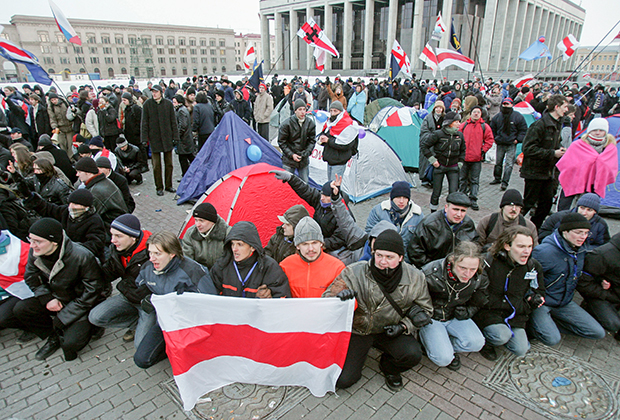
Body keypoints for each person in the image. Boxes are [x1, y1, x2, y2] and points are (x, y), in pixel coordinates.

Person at [322, 230, 432, 391]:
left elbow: (426, 309)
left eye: (389, 257)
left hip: (390, 329)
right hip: (359, 330)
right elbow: (325, 299)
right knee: (343, 380)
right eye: (379, 255)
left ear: (400, 257)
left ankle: (389, 367)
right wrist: (338, 296)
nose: (382, 261)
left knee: (412, 354)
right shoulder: (354, 271)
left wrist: (404, 326)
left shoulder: (415, 278)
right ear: (373, 252)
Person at [13, 218, 103, 361]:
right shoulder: (36, 252)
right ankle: (53, 335)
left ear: (54, 241)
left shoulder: (81, 256)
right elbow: (31, 278)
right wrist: (47, 298)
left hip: (78, 303)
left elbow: (93, 291)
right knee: (21, 309)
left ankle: (90, 327)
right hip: (55, 297)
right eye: (30, 240)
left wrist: (65, 315)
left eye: (38, 241)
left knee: (71, 345)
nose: (32, 246)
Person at [134, 231, 217, 368]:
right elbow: (140, 286)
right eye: (150, 253)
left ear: (172, 254)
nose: (151, 258)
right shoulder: (148, 268)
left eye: (157, 254)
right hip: (164, 321)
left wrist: (186, 301)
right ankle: (169, 350)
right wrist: (147, 299)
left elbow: (211, 303)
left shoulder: (193, 271)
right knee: (141, 360)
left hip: (190, 323)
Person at [529, 213, 606, 346]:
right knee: (552, 339)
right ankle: (533, 326)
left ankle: (550, 324)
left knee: (597, 332)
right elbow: (526, 278)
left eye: (586, 233)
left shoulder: (580, 250)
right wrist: (532, 297)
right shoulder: (544, 252)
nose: (583, 237)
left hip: (564, 301)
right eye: (578, 232)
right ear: (565, 231)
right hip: (543, 302)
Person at [474, 226, 545, 360]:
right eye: (521, 246)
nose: (526, 251)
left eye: (530, 246)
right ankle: (487, 342)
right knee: (501, 336)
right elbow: (477, 290)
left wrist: (534, 298)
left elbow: (539, 290)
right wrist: (487, 303)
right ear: (507, 246)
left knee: (521, 349)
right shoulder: (488, 262)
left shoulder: (533, 266)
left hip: (514, 314)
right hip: (489, 312)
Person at [419, 242, 488, 370]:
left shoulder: (479, 277)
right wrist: (423, 317)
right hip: (432, 317)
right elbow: (415, 299)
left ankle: (446, 346)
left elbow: (480, 300)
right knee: (443, 359)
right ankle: (430, 345)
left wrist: (468, 312)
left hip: (455, 315)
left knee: (477, 343)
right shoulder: (430, 273)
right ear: (452, 260)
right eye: (462, 268)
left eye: (472, 269)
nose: (467, 274)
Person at [89, 215, 152, 345]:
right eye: (112, 235)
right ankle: (136, 323)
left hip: (147, 303)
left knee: (140, 345)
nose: (113, 240)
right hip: (128, 295)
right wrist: (90, 266)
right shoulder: (117, 250)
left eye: (118, 236)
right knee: (95, 317)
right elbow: (108, 274)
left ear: (133, 237)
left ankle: (154, 327)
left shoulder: (151, 252)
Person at [271, 170, 352, 256]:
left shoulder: (344, 214)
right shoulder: (320, 201)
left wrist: (321, 244)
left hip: (333, 247)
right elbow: (305, 191)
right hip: (317, 240)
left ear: (335, 197)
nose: (322, 198)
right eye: (322, 194)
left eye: (326, 196)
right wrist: (291, 178)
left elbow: (340, 238)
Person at [521, 94, 568, 229]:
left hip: (548, 173)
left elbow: (554, 144)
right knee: (527, 204)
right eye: (564, 107)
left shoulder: (557, 124)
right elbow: (528, 149)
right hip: (534, 172)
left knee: (546, 205)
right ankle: (512, 226)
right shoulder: (539, 125)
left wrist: (559, 149)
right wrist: (553, 153)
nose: (566, 110)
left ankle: (533, 229)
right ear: (557, 107)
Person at [210, 221, 291, 299]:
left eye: (240, 244)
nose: (234, 249)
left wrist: (269, 297)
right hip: (229, 312)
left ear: (252, 247)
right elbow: (209, 297)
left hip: (258, 312)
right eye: (232, 244)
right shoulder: (222, 265)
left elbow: (283, 300)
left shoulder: (269, 267)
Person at [556, 117, 617, 211]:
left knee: (589, 208)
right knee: (564, 206)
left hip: (595, 183)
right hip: (574, 180)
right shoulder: (577, 145)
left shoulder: (610, 148)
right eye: (595, 130)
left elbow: (611, 168)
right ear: (589, 131)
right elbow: (567, 163)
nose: (598, 132)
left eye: (601, 130)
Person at [280, 217, 346, 298]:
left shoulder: (337, 267)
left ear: (321, 243)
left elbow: (351, 304)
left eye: (314, 243)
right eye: (305, 244)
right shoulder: (285, 266)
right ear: (297, 246)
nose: (311, 249)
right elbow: (277, 298)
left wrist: (346, 297)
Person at [408, 192, 477, 267]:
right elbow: (415, 251)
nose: (459, 214)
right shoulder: (430, 224)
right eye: (455, 209)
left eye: (463, 211)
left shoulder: (468, 224)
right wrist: (432, 268)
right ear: (446, 208)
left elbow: (475, 246)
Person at [365, 181, 423, 260]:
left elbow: (420, 241)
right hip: (383, 257)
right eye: (398, 197)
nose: (401, 201)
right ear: (392, 198)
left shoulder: (418, 215)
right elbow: (370, 231)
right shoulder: (378, 211)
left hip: (406, 259)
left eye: (405, 198)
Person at [578, 232, 620, 339]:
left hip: (614, 293)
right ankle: (588, 309)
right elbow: (583, 283)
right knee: (613, 323)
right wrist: (606, 294)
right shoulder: (603, 254)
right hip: (602, 294)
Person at [421, 111, 466, 212]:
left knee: (453, 193)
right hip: (439, 166)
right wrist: (432, 160)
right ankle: (433, 212)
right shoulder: (438, 134)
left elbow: (463, 150)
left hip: (453, 167)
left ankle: (451, 212)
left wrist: (460, 162)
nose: (459, 124)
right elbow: (424, 146)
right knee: (436, 192)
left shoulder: (460, 136)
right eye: (457, 121)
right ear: (450, 122)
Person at [141, 85, 179, 196]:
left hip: (167, 138)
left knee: (169, 164)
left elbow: (173, 122)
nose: (154, 94)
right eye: (153, 92)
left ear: (161, 92)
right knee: (156, 165)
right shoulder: (147, 105)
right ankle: (159, 187)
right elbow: (144, 123)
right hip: (154, 138)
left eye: (156, 92)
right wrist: (144, 139)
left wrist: (175, 137)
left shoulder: (168, 104)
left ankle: (168, 185)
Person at [74, 157, 128, 230]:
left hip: (112, 228)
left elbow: (89, 217)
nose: (77, 174)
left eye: (79, 172)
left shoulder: (95, 192)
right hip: (118, 223)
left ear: (87, 172)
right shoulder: (105, 181)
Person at [538, 193, 609, 248]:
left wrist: (583, 251)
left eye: (589, 210)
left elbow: (602, 246)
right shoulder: (558, 217)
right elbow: (543, 235)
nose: (584, 213)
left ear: (595, 212)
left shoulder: (600, 224)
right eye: (582, 208)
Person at [458, 107, 494, 211]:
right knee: (462, 179)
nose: (476, 114)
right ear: (471, 114)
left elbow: (490, 139)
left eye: (478, 112)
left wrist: (483, 150)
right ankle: (462, 197)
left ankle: (473, 199)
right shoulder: (464, 125)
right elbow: (457, 137)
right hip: (464, 158)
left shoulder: (484, 127)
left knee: (474, 180)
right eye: (474, 112)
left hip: (476, 158)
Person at [489, 98, 527, 190]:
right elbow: (492, 129)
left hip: (511, 144)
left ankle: (505, 182)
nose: (506, 106)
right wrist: (495, 138)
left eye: (508, 104)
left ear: (511, 105)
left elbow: (523, 130)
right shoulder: (497, 117)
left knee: (509, 164)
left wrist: (517, 140)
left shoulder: (518, 117)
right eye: (504, 104)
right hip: (500, 143)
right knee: (498, 162)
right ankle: (497, 178)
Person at [181, 202, 231, 270]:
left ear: (212, 222)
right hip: (199, 274)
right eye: (196, 220)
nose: (197, 224)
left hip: (222, 274)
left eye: (201, 221)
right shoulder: (190, 234)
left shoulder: (228, 234)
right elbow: (187, 262)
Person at [317, 101, 359, 181]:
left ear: (341, 112)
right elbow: (325, 133)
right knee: (331, 184)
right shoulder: (330, 123)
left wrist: (328, 140)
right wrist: (322, 138)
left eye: (335, 111)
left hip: (339, 160)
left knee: (335, 187)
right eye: (331, 111)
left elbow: (345, 145)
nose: (333, 113)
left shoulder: (349, 125)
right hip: (330, 158)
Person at [278, 99, 316, 184]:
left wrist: (306, 152)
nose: (302, 112)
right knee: (286, 184)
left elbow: (312, 140)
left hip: (303, 159)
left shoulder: (310, 123)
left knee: (304, 184)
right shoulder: (286, 124)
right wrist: (291, 155)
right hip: (289, 159)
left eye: (304, 109)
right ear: (295, 111)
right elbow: (281, 142)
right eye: (300, 109)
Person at [419, 101, 446, 188]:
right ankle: (425, 178)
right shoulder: (428, 118)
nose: (439, 110)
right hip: (429, 144)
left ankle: (434, 180)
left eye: (440, 108)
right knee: (426, 161)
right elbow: (424, 131)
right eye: (437, 108)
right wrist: (432, 137)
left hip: (439, 145)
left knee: (437, 163)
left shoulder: (444, 119)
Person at [172, 95, 195, 177]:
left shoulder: (181, 111)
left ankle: (186, 175)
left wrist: (177, 136)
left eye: (174, 102)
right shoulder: (182, 110)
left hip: (184, 140)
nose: (173, 104)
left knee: (184, 159)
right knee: (189, 158)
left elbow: (183, 125)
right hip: (185, 139)